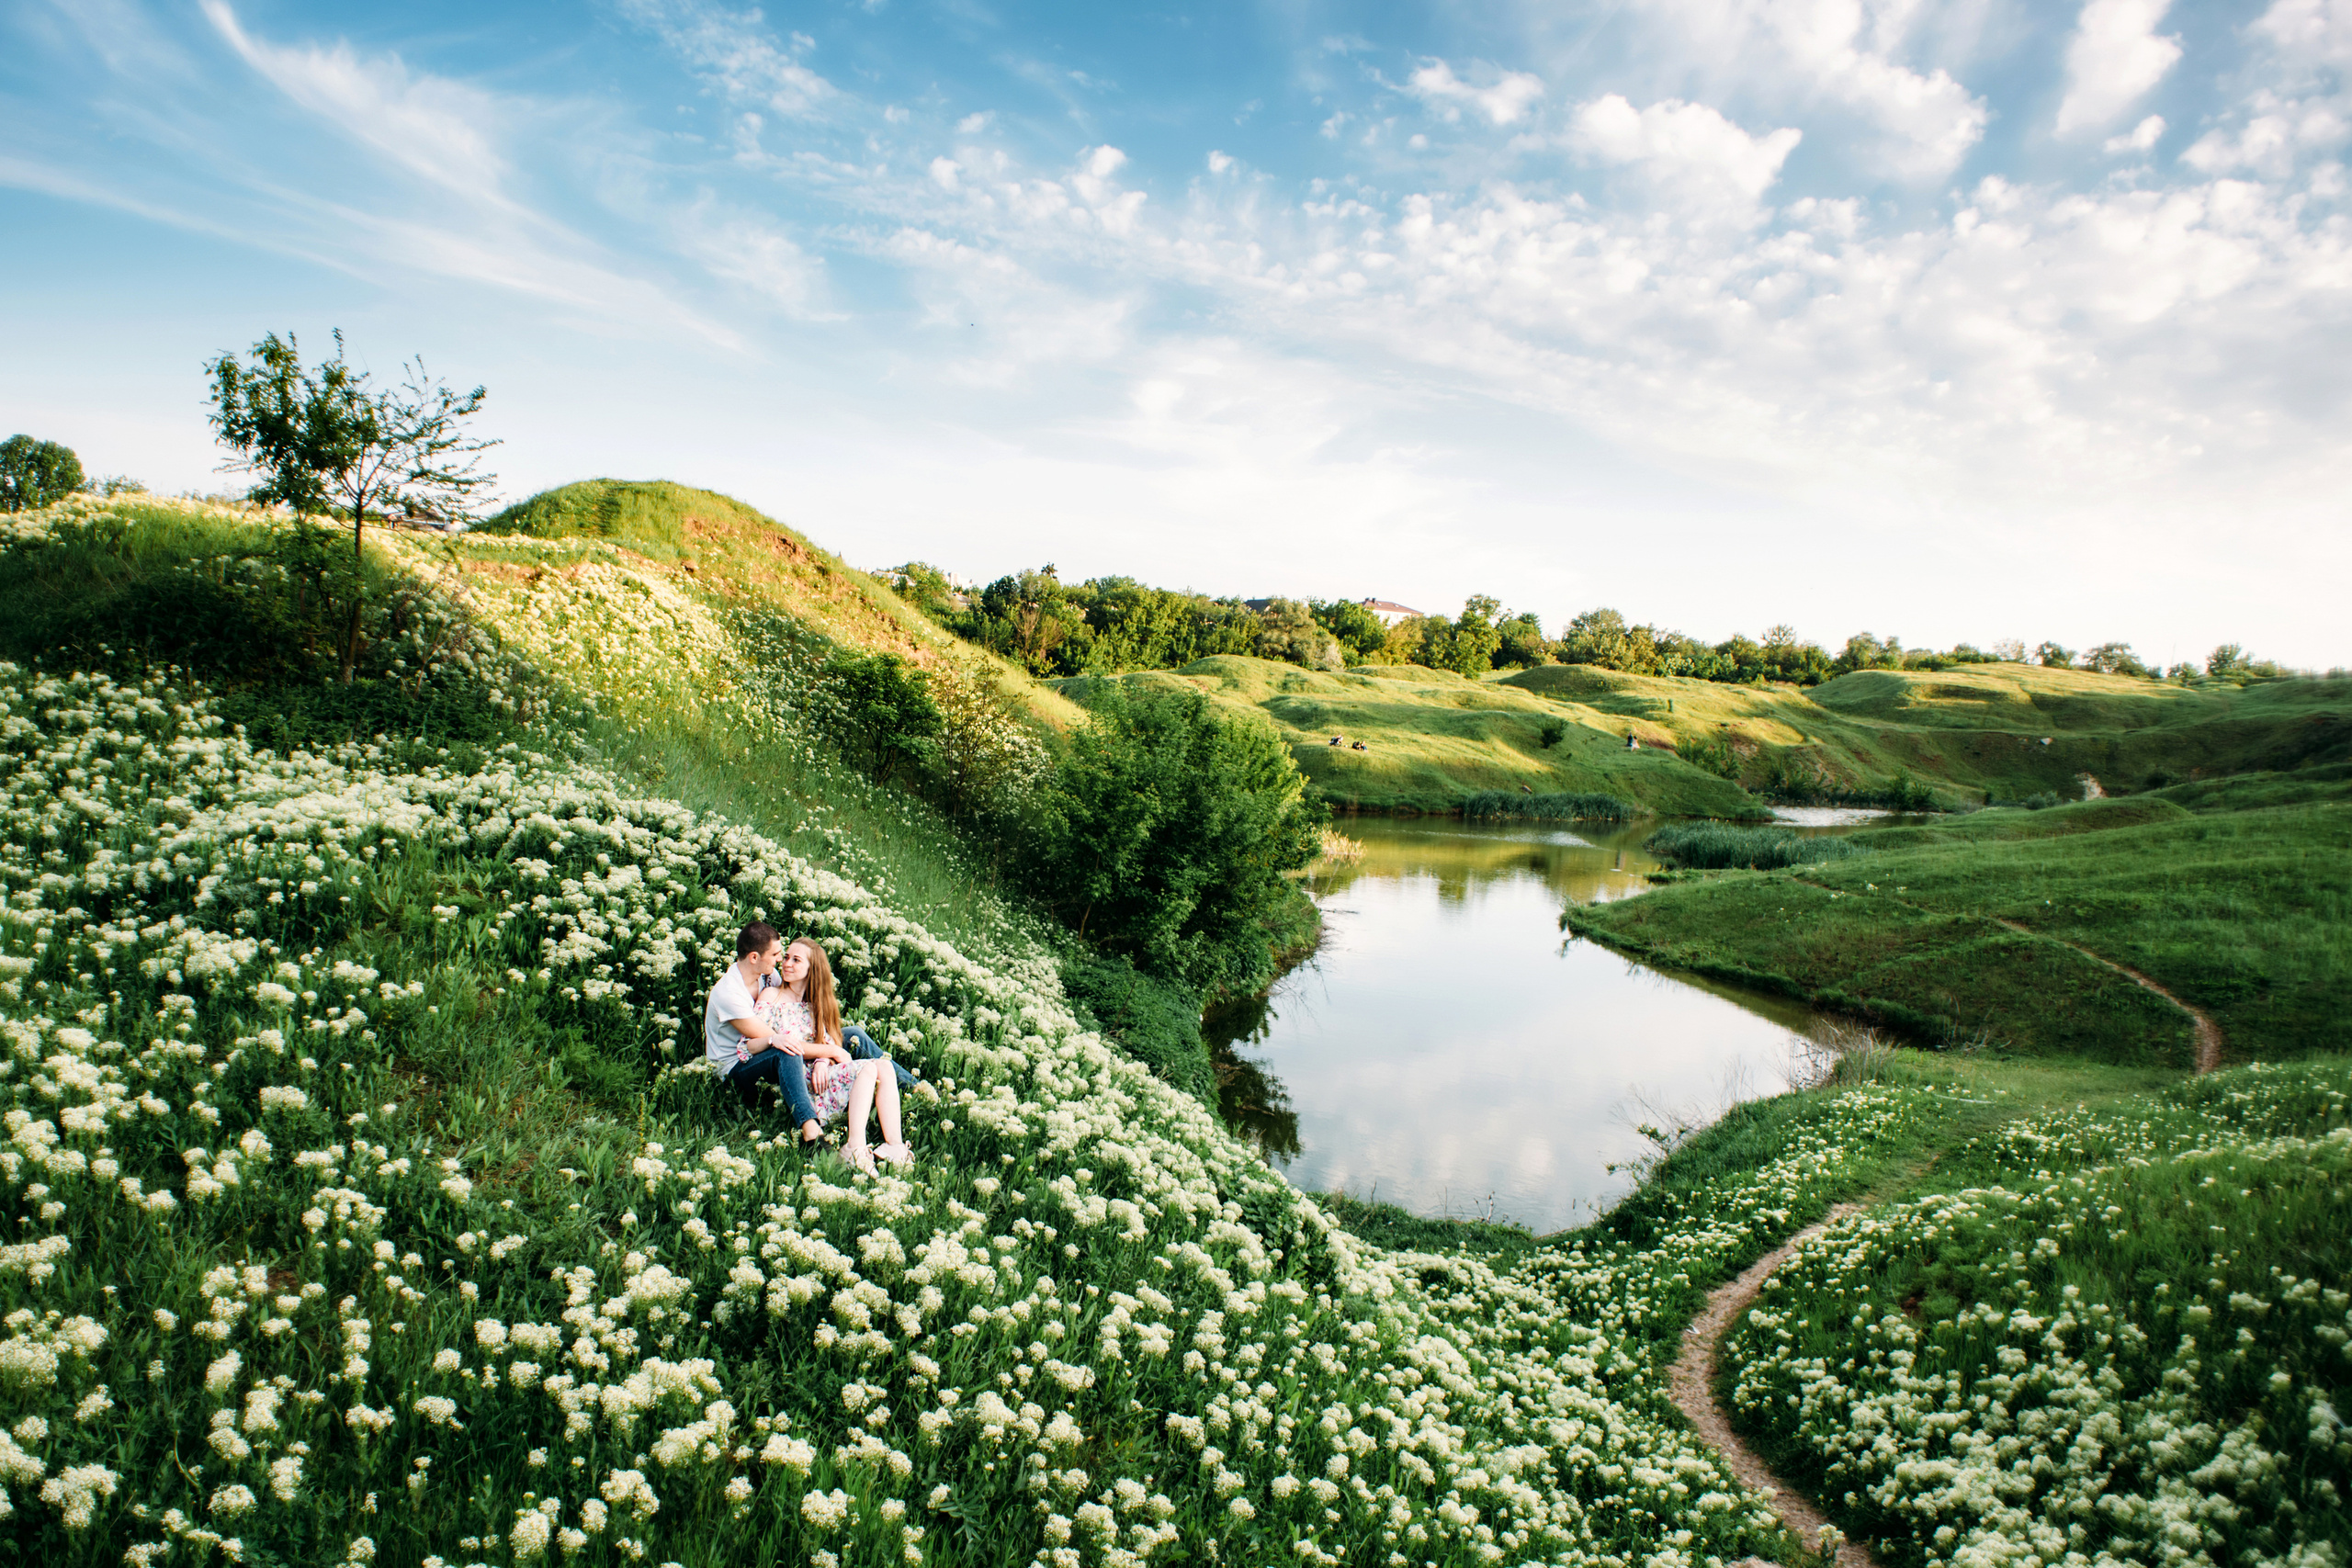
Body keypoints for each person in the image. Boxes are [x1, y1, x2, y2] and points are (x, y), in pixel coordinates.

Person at [757, 937, 912, 1172]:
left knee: (885, 1067)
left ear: (812, 969)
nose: (787, 963)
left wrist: (822, 1059)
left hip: (821, 1076)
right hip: (797, 1079)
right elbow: (768, 1042)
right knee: (869, 1067)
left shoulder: (817, 1003)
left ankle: (894, 1145)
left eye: (796, 960)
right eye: (786, 957)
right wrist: (827, 1053)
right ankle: (855, 1147)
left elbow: (830, 1038)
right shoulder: (772, 996)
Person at [707, 922, 830, 1152]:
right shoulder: (729, 994)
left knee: (854, 1035)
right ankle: (811, 1132)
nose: (781, 960)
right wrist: (831, 1051)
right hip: (733, 1068)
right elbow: (777, 1039)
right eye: (775, 954)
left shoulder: (767, 976)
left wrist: (824, 1051)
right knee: (787, 1052)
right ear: (754, 957)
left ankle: (911, 1087)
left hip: (759, 1052)